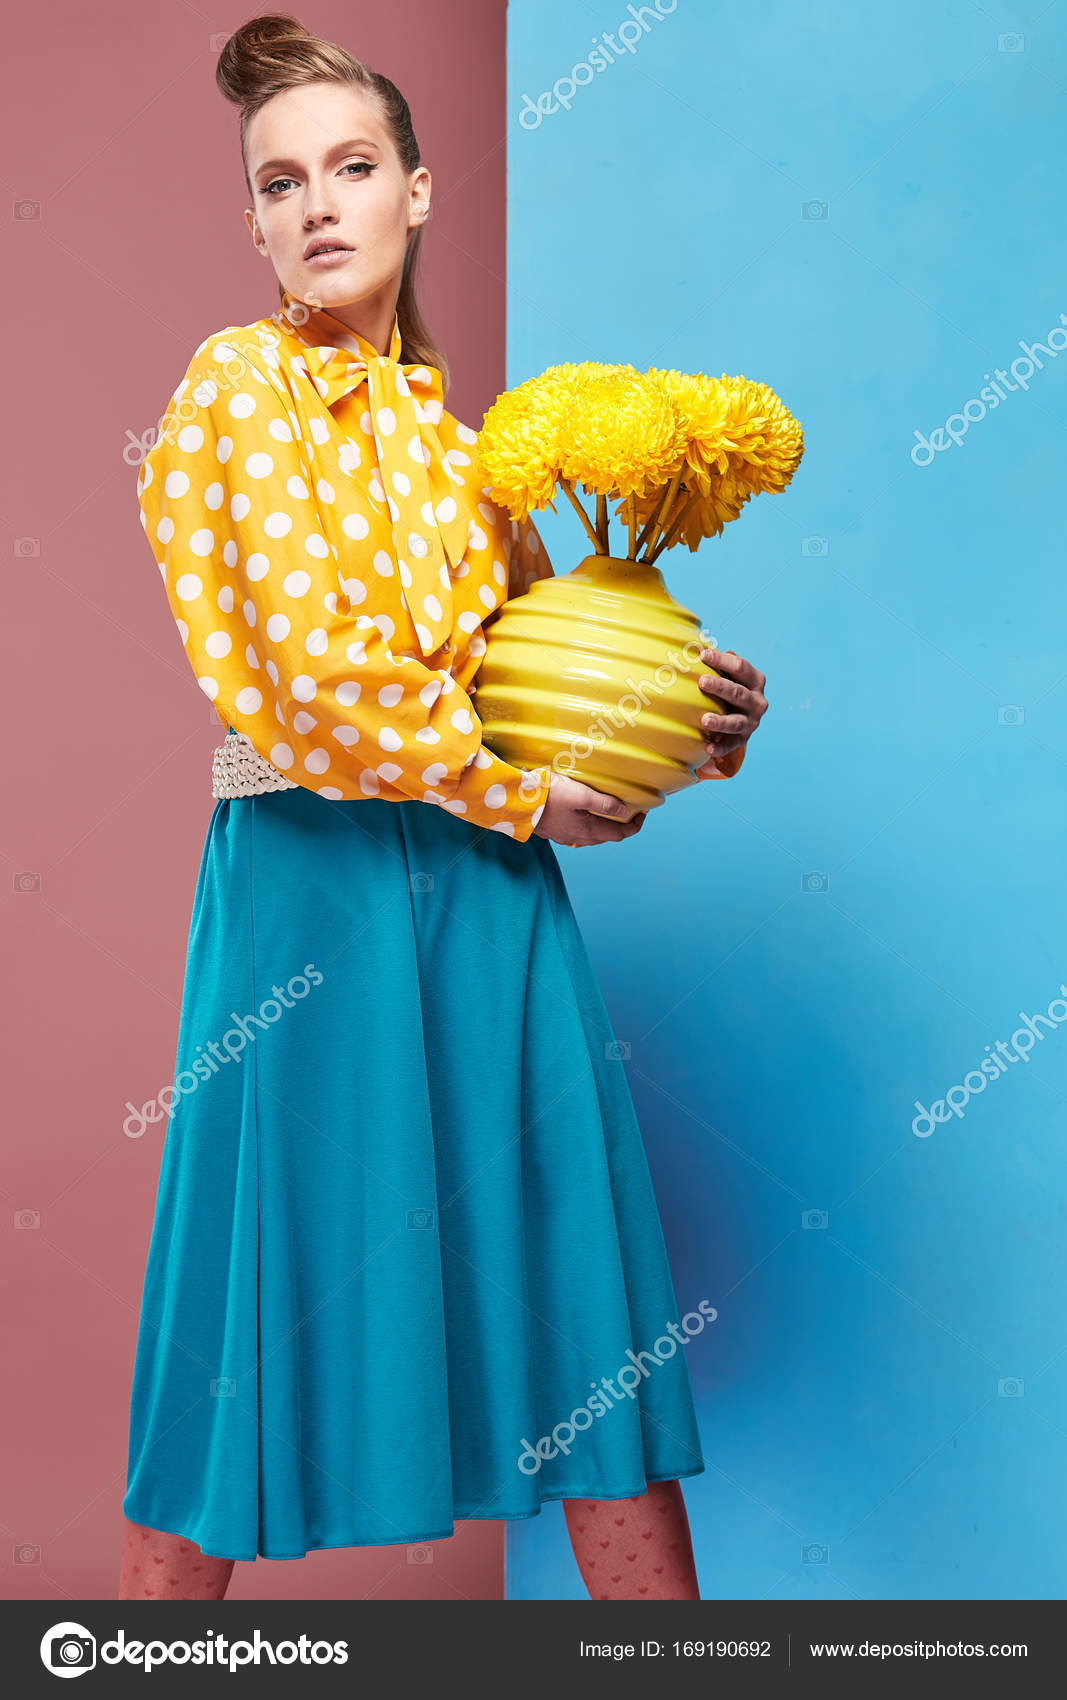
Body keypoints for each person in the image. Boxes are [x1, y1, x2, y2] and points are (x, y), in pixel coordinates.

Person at [118, 14, 768, 1603]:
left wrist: (690, 724)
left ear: (419, 193)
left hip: (490, 900)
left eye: (352, 167)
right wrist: (515, 793)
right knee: (255, 1297)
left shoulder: (466, 451)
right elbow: (315, 675)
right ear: (255, 221)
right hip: (314, 892)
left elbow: (543, 688)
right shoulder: (236, 392)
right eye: (281, 183)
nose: (316, 205)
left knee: (575, 1297)